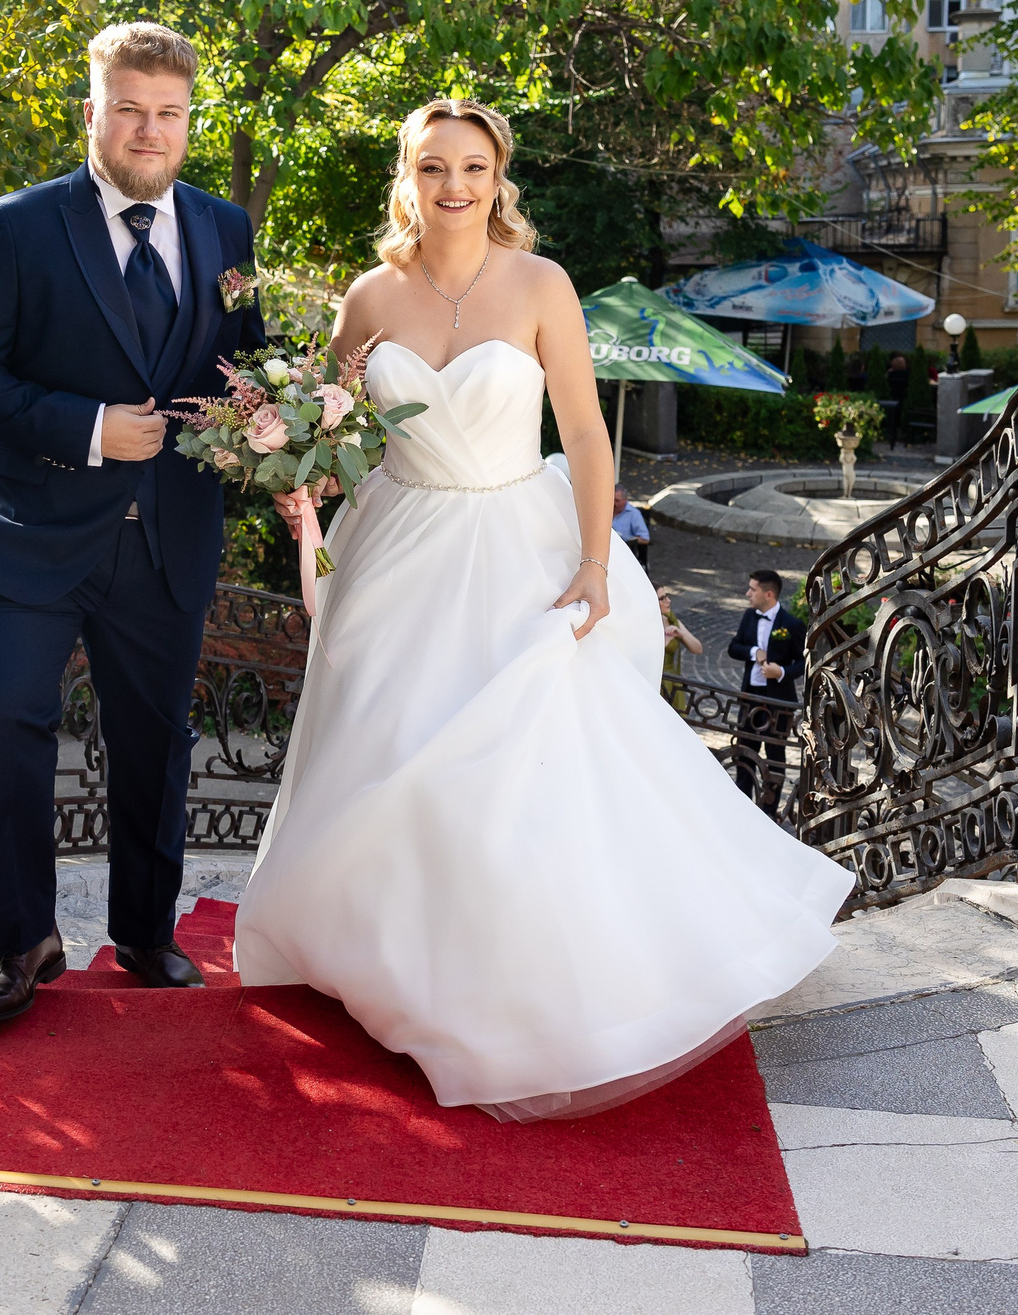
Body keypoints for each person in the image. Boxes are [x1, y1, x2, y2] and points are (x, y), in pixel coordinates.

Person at [238, 99, 852, 1122]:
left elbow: (582, 427)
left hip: (515, 545)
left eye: (472, 167)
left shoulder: (540, 284)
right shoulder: (369, 295)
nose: (453, 187)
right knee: (388, 756)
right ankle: (390, 965)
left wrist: (596, 565)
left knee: (505, 766)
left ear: (497, 177)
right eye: (433, 167)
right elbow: (330, 426)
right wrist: (294, 472)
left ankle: (511, 986)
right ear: (407, 176)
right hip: (396, 547)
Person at [0, 21, 268, 1026]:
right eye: (128, 110)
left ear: (188, 119)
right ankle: (24, 938)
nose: (147, 131)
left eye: (167, 113)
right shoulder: (17, 225)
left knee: (157, 738)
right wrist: (83, 428)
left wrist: (272, 419)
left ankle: (144, 930)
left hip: (166, 533)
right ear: (93, 113)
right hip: (24, 531)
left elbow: (239, 364)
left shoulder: (223, 230)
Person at [727, 569, 805, 808]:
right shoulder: (750, 617)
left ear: (769, 594)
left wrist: (780, 672)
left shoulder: (792, 624)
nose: (747, 593)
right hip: (750, 696)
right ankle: (741, 807)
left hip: (777, 702)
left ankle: (769, 812)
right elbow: (734, 647)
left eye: (753, 589)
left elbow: (804, 661)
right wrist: (754, 652)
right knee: (743, 754)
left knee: (775, 758)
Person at [656, 587, 704, 713]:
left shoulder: (671, 620)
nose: (668, 600)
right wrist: (665, 641)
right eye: (662, 598)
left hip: (673, 683)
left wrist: (681, 634)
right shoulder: (645, 625)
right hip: (656, 682)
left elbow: (697, 648)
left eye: (667, 596)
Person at [611, 484, 652, 568]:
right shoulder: (606, 510)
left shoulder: (633, 514)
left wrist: (630, 541)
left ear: (625, 500)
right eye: (611, 500)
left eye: (617, 500)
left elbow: (645, 539)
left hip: (623, 555)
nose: (613, 503)